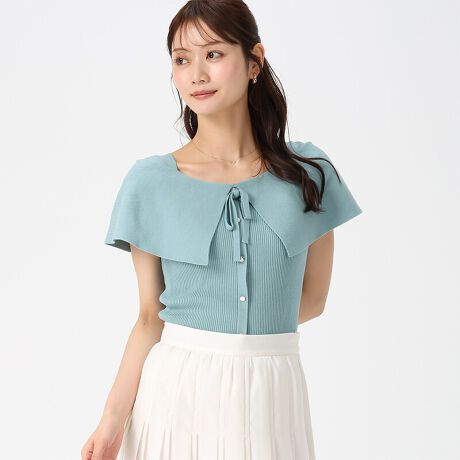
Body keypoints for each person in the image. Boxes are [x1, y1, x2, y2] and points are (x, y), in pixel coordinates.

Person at [81, 1, 363, 459]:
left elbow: (313, 299)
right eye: (181, 59)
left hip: (274, 395)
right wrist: (111, 420)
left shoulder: (309, 173)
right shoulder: (151, 182)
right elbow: (150, 318)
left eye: (213, 54)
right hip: (178, 391)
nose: (196, 74)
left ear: (254, 61)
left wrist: (244, 349)